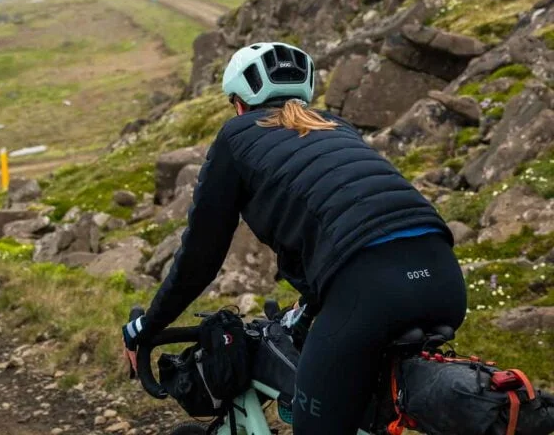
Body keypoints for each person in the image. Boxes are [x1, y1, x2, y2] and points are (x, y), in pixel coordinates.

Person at [122, 42, 467, 435]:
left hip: (368, 291)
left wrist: (145, 329)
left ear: (238, 102)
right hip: (444, 279)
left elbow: (200, 259)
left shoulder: (237, 136)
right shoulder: (335, 126)